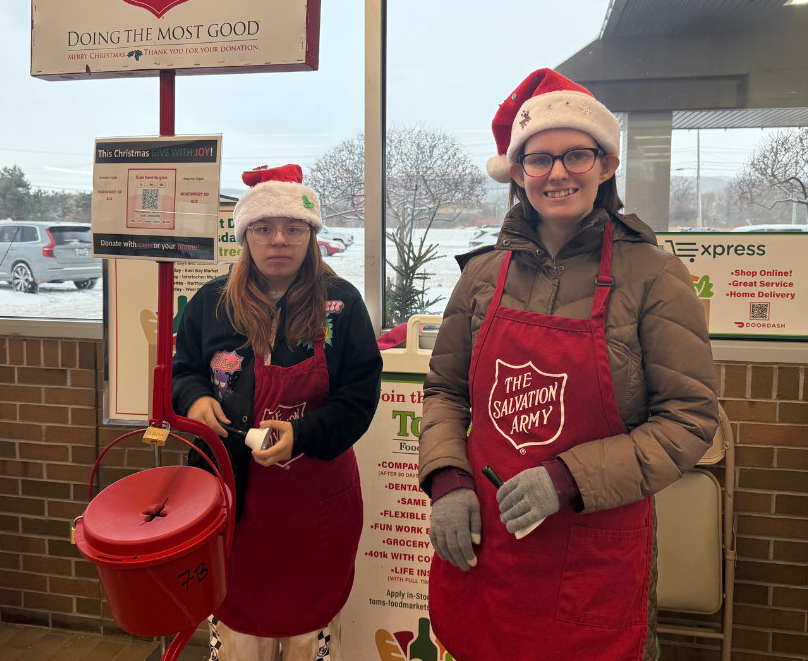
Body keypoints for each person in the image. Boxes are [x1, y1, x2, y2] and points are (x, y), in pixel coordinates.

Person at [418, 69, 719, 661]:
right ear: (519, 174)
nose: (557, 173)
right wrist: (447, 479)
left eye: (575, 155)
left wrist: (568, 478)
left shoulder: (655, 277)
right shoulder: (482, 277)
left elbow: (688, 421)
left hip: (591, 552)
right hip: (489, 544)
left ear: (606, 166)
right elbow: (445, 392)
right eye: (539, 159)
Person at [172, 164, 382, 661]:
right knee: (240, 636)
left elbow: (359, 395)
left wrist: (303, 432)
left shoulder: (343, 304)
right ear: (246, 237)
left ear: (311, 236)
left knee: (307, 637)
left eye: (294, 228)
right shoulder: (212, 302)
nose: (279, 240)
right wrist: (194, 399)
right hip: (230, 500)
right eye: (264, 229)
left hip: (313, 504)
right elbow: (184, 371)